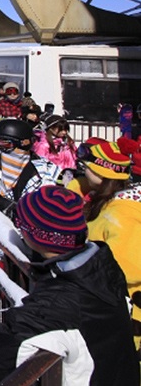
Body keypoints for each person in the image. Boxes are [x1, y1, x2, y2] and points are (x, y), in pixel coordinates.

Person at [0, 186, 140, 386]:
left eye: (20, 223)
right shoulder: (103, 266)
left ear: (35, 236)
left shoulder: (60, 303)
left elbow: (3, 355)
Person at [66, 139, 141, 357]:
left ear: (101, 171)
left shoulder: (121, 214)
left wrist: (79, 277)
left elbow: (128, 269)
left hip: (128, 321)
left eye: (86, 167)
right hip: (111, 311)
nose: (82, 171)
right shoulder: (107, 204)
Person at [0, 119, 61, 219]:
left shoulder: (45, 168)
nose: (0, 148)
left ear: (24, 143)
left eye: (5, 144)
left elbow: (53, 197)